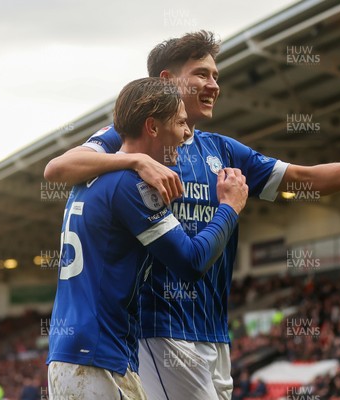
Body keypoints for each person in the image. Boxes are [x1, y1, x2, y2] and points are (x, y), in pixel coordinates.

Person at [44, 31, 340, 399]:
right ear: (167, 82)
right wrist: (137, 159)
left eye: (216, 76)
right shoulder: (129, 137)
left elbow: (303, 178)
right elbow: (59, 167)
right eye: (202, 74)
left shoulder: (222, 150)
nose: (213, 85)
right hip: (160, 330)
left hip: (213, 329)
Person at [46, 77, 249, 399]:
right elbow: (192, 262)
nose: (186, 133)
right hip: (97, 358)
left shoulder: (92, 176)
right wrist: (229, 208)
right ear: (153, 127)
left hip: (85, 354)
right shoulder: (129, 185)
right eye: (181, 123)